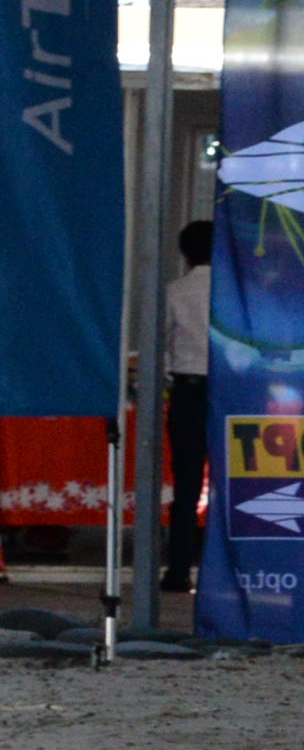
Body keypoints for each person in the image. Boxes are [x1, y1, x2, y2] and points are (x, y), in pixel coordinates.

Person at [164, 221, 214, 593]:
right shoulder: (238, 294)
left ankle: (178, 571)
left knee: (187, 486)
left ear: (185, 252)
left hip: (188, 390)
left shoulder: (175, 292)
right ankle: (225, 570)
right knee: (232, 485)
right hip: (233, 393)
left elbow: (158, 346)